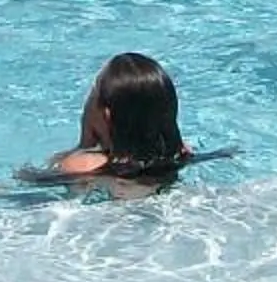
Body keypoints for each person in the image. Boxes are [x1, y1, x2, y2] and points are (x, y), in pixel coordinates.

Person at [25, 52, 201, 188]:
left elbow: (26, 182)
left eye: (93, 93)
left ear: (106, 116)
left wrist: (83, 145)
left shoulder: (82, 166)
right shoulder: (180, 154)